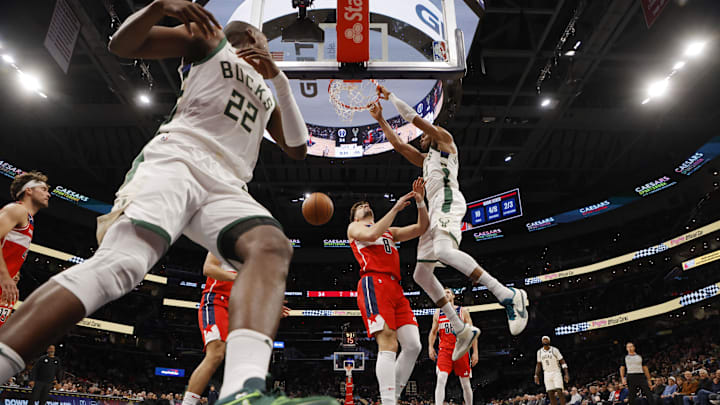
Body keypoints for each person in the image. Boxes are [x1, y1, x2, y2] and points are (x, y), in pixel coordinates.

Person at [0, 2, 335, 405]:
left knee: (272, 246)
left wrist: (278, 77)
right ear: (247, 36)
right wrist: (158, 7)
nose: (262, 41)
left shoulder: (265, 88)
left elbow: (297, 148)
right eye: (258, 36)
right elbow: (122, 44)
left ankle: (243, 392)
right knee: (121, 267)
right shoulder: (209, 42)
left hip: (228, 183)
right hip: (177, 160)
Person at [368, 88, 528, 362]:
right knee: (421, 275)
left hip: (448, 203)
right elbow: (398, 145)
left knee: (442, 251)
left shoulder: (446, 142)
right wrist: (381, 119)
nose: (420, 136)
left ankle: (508, 294)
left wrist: (392, 96)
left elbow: (414, 119)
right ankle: (460, 328)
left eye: (424, 132)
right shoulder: (426, 159)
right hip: (434, 211)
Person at [347, 178, 427, 405]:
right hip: (373, 283)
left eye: (366, 204)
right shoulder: (354, 228)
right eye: (359, 206)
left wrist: (421, 203)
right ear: (355, 217)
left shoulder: (389, 231)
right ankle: (389, 400)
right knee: (389, 342)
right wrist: (395, 208)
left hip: (395, 287)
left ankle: (393, 396)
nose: (365, 206)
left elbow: (422, 228)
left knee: (413, 345)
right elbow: (371, 236)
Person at [183, 253, 291, 405]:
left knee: (246, 360)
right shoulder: (224, 237)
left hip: (242, 308)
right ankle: (188, 403)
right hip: (217, 300)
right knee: (216, 353)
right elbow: (208, 268)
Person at [0, 171, 50, 324]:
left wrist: (14, 272)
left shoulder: (28, 219)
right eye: (44, 189)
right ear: (29, 190)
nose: (48, 194)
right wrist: (5, 275)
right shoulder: (17, 210)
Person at [428, 288, 478, 405]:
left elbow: (472, 332)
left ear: (453, 296)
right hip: (445, 350)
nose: (446, 294)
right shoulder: (438, 313)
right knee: (441, 378)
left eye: (448, 292)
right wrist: (430, 347)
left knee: (465, 383)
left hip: (461, 350)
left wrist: (475, 352)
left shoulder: (463, 311)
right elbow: (433, 332)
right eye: (443, 292)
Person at [534, 336, 570, 405]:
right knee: (550, 393)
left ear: (549, 341)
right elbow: (538, 364)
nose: (545, 340)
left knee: (559, 391)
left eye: (546, 339)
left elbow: (562, 361)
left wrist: (566, 374)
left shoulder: (554, 350)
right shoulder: (539, 352)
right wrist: (536, 375)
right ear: (542, 342)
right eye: (544, 340)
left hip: (556, 371)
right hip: (547, 373)